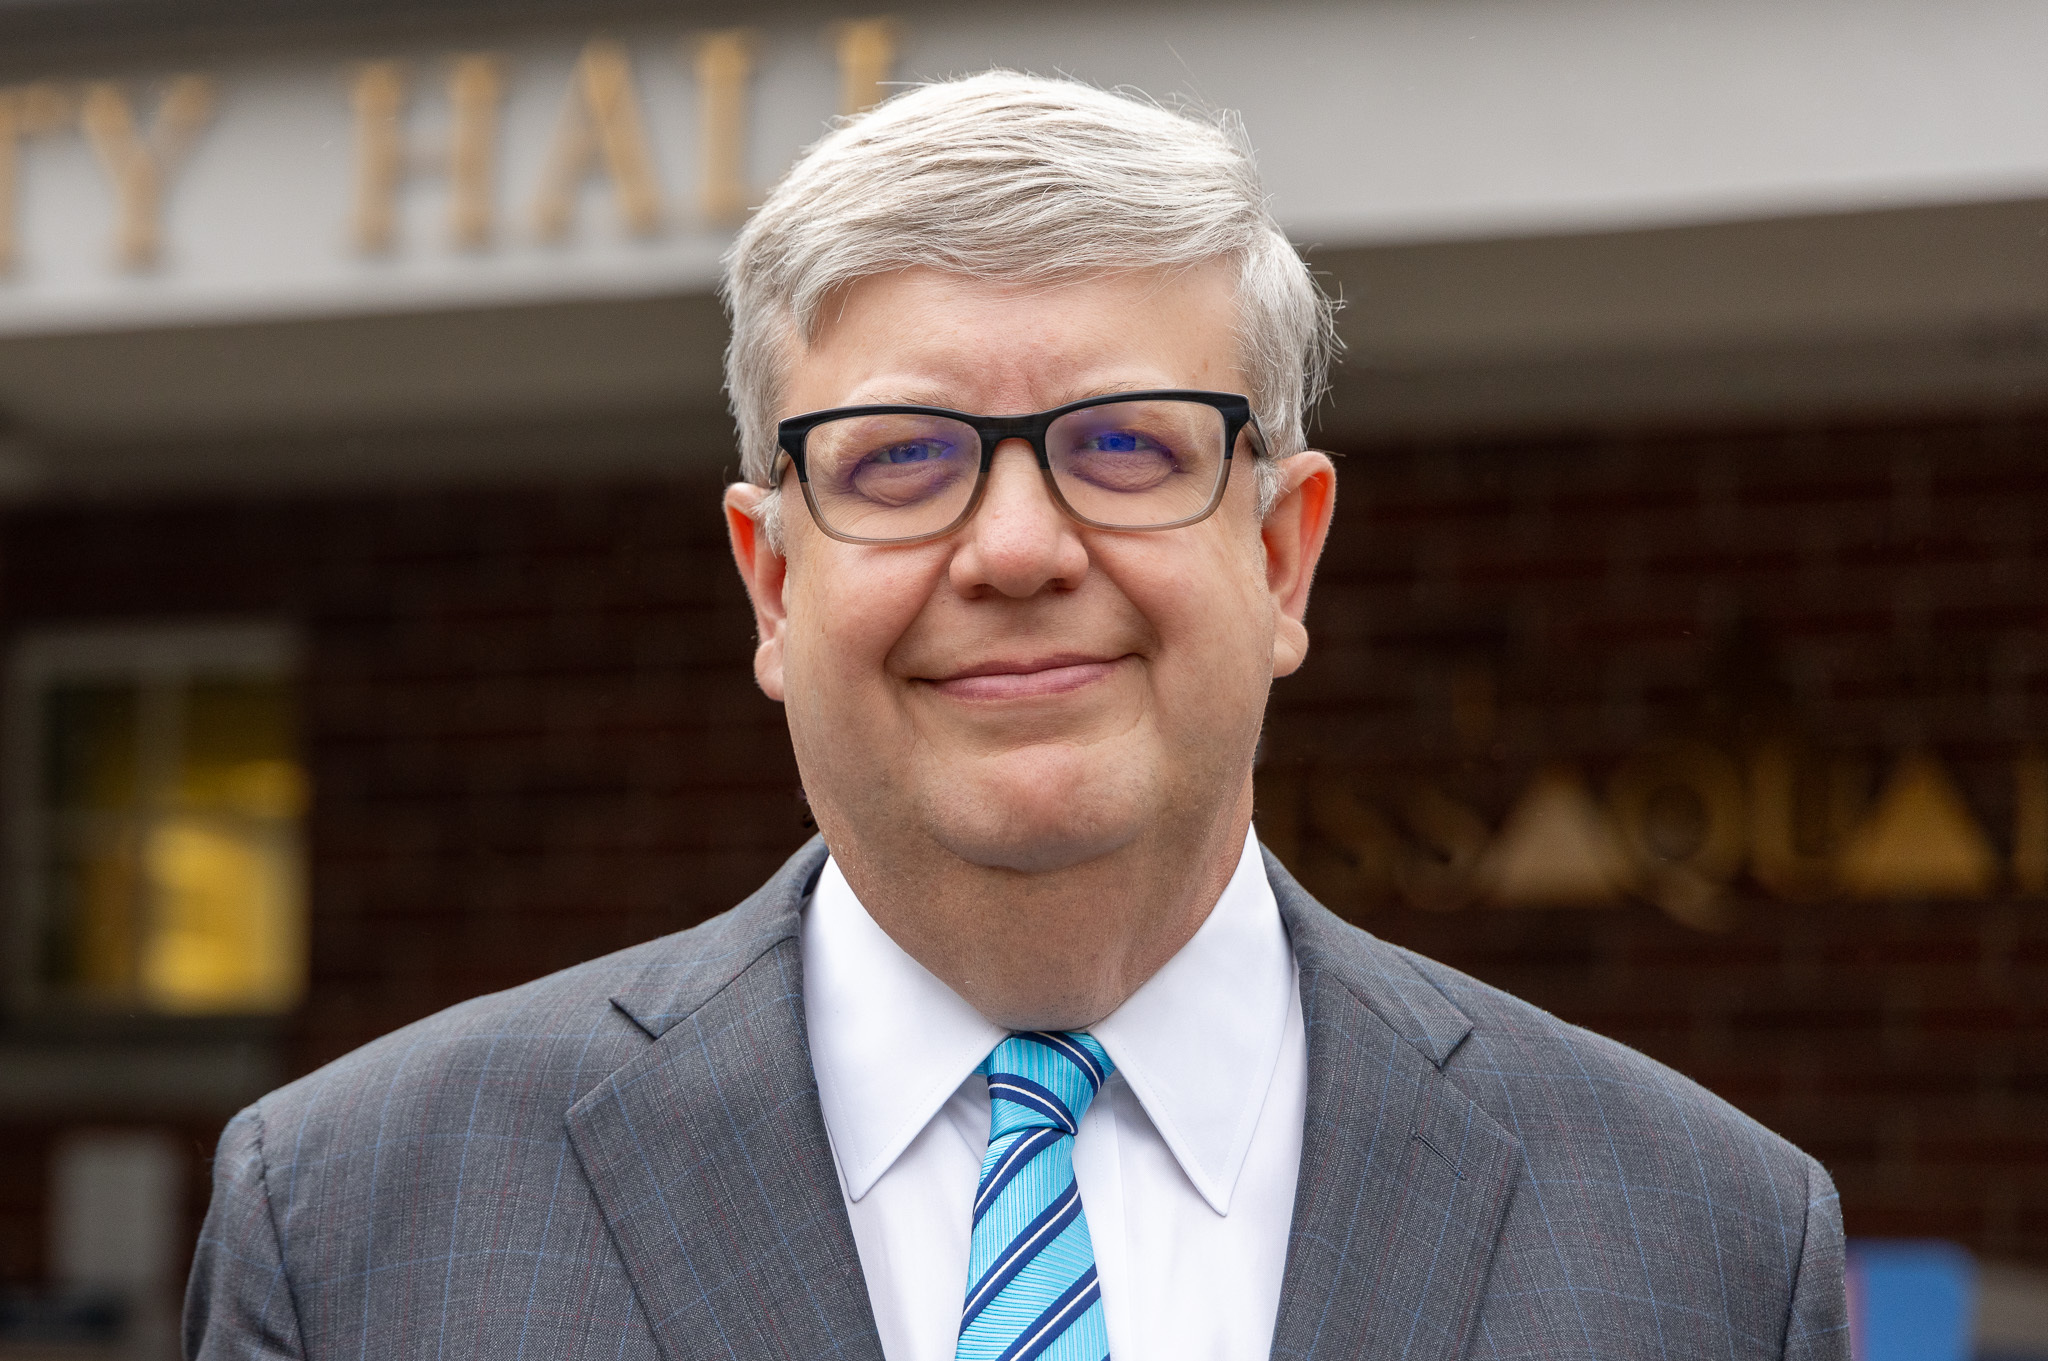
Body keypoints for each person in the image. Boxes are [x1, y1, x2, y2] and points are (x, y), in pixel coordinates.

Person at [186, 72, 1848, 1361]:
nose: (1018, 549)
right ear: (772, 584)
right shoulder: (360, 1219)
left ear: (1280, 551)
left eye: (1127, 445)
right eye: (899, 457)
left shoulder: (1702, 1240)